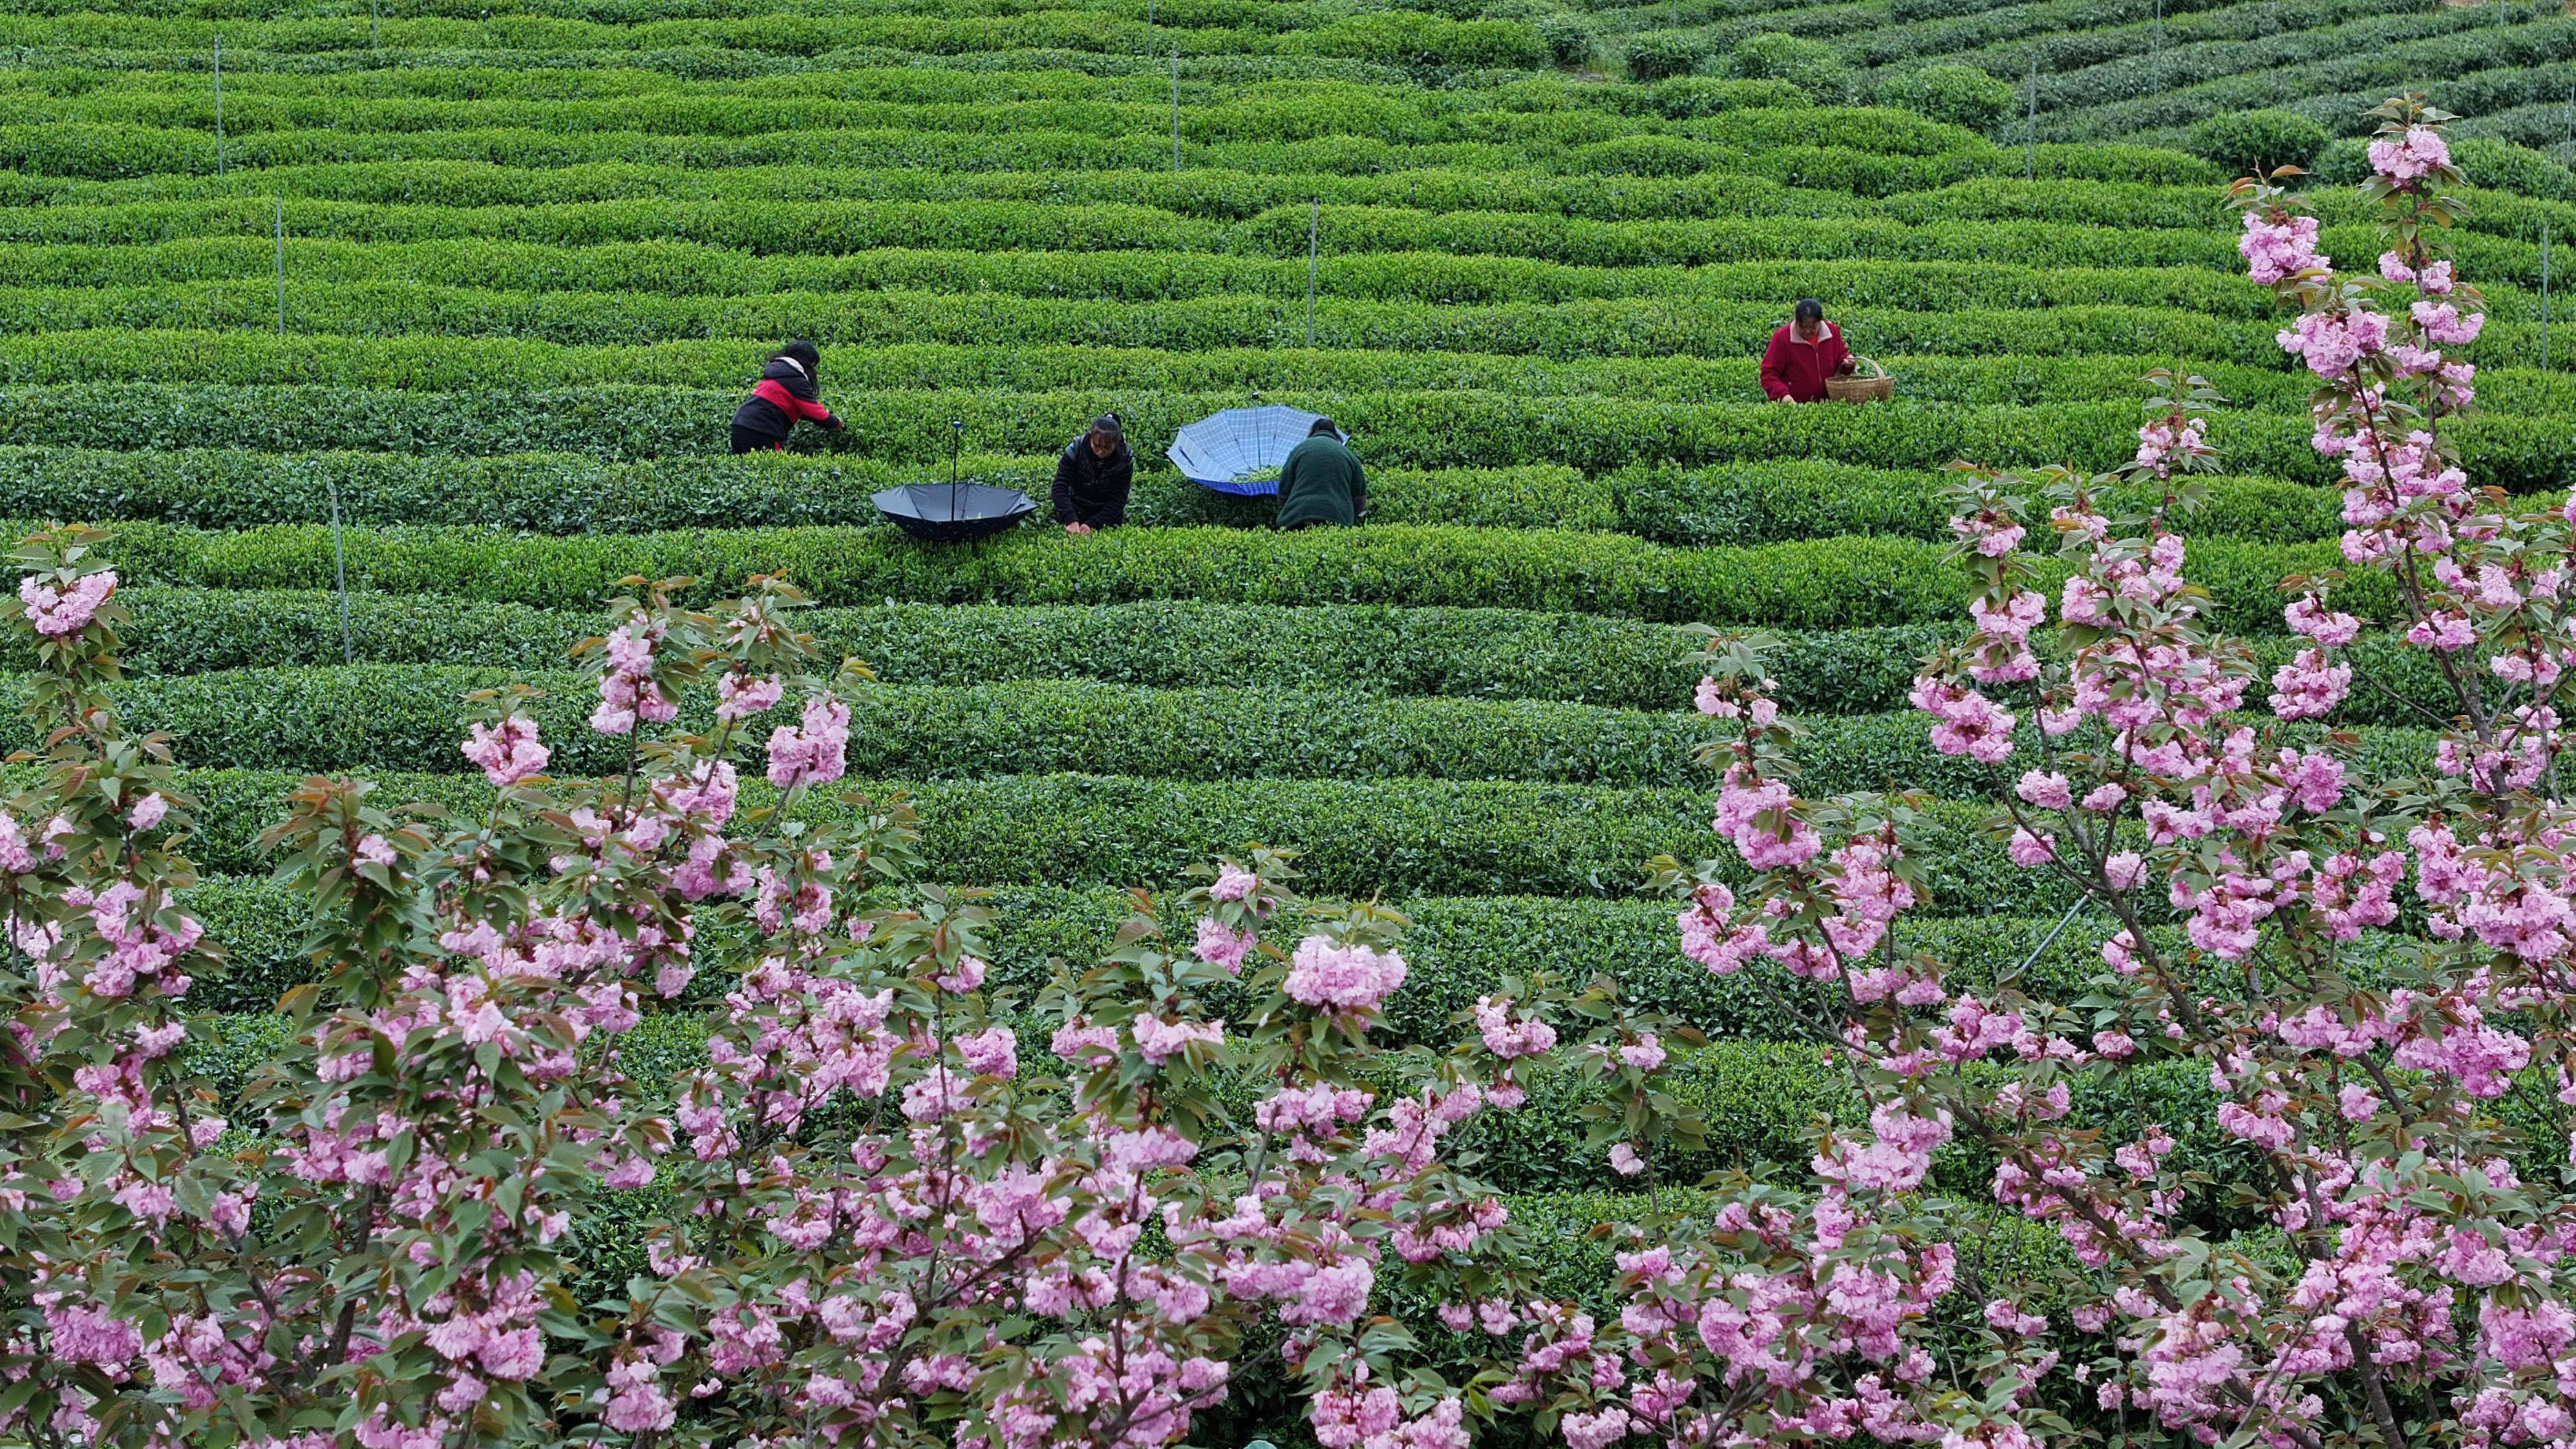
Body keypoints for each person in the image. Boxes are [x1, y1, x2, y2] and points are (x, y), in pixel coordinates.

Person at [730, 340, 843, 453]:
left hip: (739, 426)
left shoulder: (777, 373)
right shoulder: (796, 379)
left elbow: (799, 409)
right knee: (774, 468)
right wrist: (836, 422)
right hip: (762, 431)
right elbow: (815, 412)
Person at [1273, 417, 1366, 530]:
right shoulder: (1349, 455)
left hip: (1298, 516)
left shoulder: (1299, 449)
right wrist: (1349, 517)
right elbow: (1359, 499)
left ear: (1313, 432)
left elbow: (1284, 491)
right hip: (1338, 518)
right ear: (1335, 434)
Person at [1759, 297, 1853, 404]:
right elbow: (1768, 373)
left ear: (1820, 322)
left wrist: (1848, 362)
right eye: (1803, 327)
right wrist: (1782, 395)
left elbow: (1841, 356)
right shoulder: (1783, 338)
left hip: (1829, 404)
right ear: (1796, 322)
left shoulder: (1832, 332)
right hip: (1796, 406)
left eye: (1813, 327)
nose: (1808, 331)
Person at [1054, 414, 1133, 535]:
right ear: (1090, 436)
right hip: (1075, 507)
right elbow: (1059, 486)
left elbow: (1119, 499)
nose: (1101, 452)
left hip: (1106, 517)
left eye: (1107, 448)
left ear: (1117, 443)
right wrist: (1070, 518)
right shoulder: (1076, 449)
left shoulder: (1125, 459)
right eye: (1096, 446)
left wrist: (1094, 524)